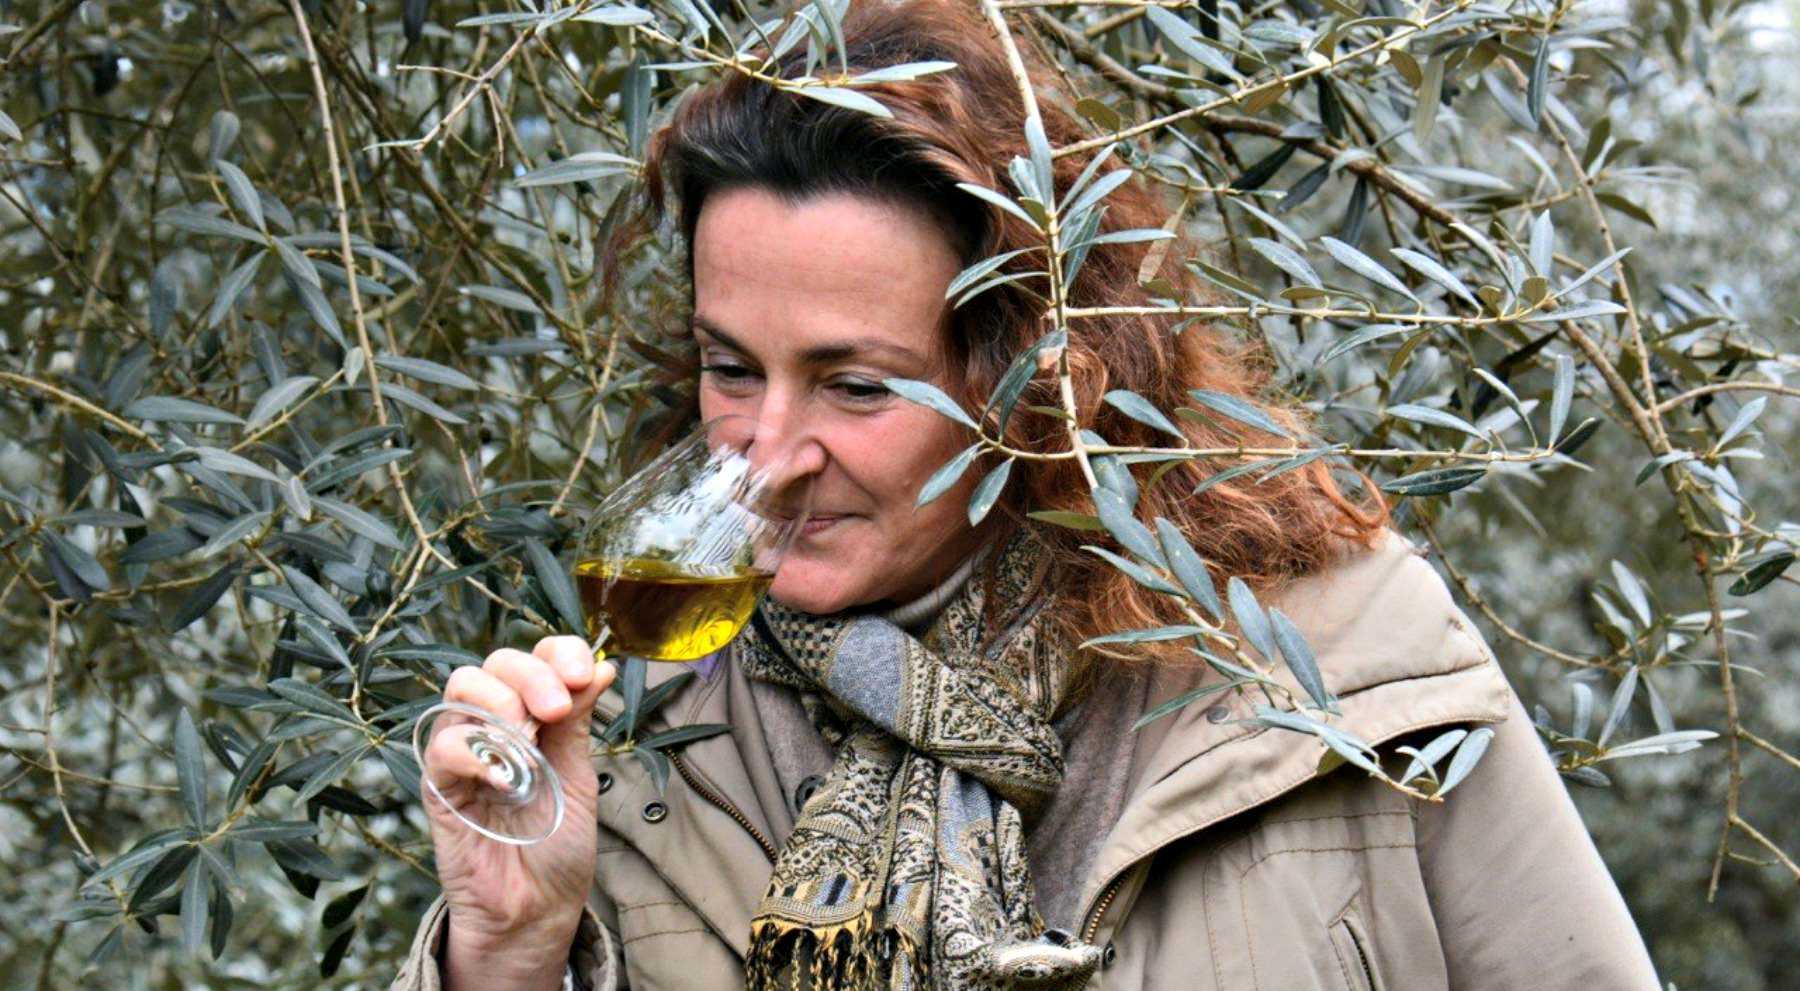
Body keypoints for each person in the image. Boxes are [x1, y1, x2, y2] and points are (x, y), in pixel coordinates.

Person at [393, 1, 1660, 988]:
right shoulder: (641, 740)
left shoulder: (1348, 666)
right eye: (732, 369)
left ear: (1031, 374)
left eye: (856, 387)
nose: (768, 453)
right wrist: (506, 953)